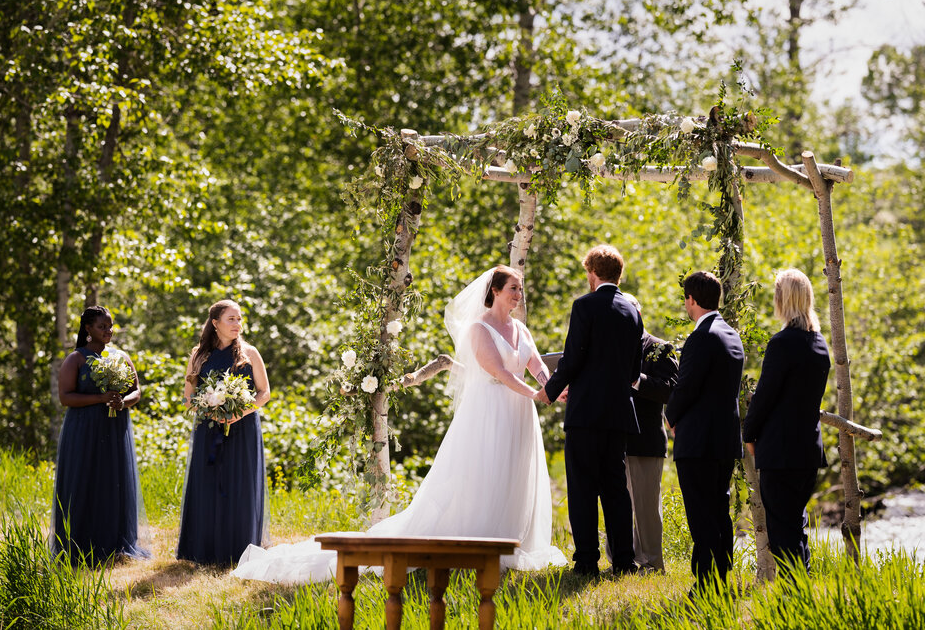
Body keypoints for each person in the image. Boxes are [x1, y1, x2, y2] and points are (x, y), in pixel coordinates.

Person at [230, 266, 566, 584]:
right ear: (495, 291)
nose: (519, 294)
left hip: (520, 412)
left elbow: (536, 364)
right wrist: (537, 395)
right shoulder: (479, 329)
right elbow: (500, 372)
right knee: (486, 470)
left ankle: (514, 540)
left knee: (515, 469)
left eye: (520, 289)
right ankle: (481, 539)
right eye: (513, 288)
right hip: (491, 412)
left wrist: (550, 387)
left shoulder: (521, 328)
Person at [534, 245, 643, 578]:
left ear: (592, 273)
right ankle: (624, 561)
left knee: (582, 488)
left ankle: (586, 562)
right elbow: (634, 370)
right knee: (615, 489)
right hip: (618, 412)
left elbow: (573, 357)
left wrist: (549, 391)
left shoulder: (584, 305)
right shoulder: (632, 310)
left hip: (585, 413)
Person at [743, 268, 830, 576]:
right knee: (796, 526)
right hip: (807, 451)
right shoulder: (819, 345)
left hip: (780, 453)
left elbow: (765, 397)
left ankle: (795, 598)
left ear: (784, 299)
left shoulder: (782, 343)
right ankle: (801, 595)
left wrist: (749, 434)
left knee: (783, 535)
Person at [50, 305, 150, 565]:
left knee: (113, 481)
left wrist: (123, 402)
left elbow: (136, 391)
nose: (108, 331)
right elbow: (65, 397)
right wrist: (100, 398)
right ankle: (80, 544)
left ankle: (116, 544)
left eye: (110, 326)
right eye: (102, 326)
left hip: (115, 429)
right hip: (83, 430)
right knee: (84, 480)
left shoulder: (120, 356)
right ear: (88, 329)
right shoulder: (77, 359)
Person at [666, 271, 744, 594]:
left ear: (692, 300)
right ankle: (721, 580)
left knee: (702, 516)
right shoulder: (732, 335)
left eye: (686, 299)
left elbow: (686, 388)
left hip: (698, 442)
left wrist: (669, 417)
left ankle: (705, 586)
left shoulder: (701, 337)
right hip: (724, 440)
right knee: (719, 512)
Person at [177, 299, 271, 566]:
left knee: (240, 485)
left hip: (243, 428)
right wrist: (210, 409)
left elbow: (265, 393)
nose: (237, 324)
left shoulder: (250, 353)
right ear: (215, 323)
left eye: (240, 319)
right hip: (208, 429)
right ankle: (204, 550)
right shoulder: (199, 355)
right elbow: (188, 399)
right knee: (209, 484)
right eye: (231, 319)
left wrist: (238, 412)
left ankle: (239, 550)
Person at [621, 293, 679, 573]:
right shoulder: (611, 347)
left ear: (638, 316)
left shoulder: (660, 348)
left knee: (645, 508)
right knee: (618, 506)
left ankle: (653, 563)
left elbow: (672, 390)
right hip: (615, 438)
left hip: (646, 439)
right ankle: (622, 560)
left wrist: (636, 380)